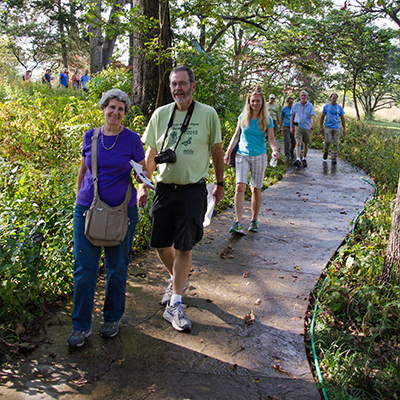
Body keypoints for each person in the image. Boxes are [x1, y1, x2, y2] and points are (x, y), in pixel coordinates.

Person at [138, 66, 224, 333]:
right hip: (164, 188)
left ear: (193, 86)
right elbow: (151, 151)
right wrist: (142, 183)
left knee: (185, 247)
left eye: (183, 84)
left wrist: (220, 184)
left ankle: (175, 303)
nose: (178, 89)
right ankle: (177, 278)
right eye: (174, 84)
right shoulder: (161, 114)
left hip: (192, 189)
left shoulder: (208, 114)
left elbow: (216, 150)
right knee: (162, 245)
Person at [67, 89, 147, 347]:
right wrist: (80, 197)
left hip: (122, 212)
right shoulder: (90, 136)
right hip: (88, 210)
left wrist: (142, 181)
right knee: (84, 269)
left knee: (117, 267)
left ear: (124, 113)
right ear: (103, 108)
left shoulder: (132, 140)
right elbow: (83, 170)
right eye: (111, 107)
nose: (115, 112)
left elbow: (143, 172)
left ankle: (112, 319)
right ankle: (81, 326)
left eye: (120, 109)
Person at [224, 86, 280, 235]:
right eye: (252, 101)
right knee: (240, 187)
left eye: (258, 101)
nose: (255, 103)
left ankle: (254, 219)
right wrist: (228, 152)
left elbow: (272, 139)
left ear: (262, 102)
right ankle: (238, 222)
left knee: (255, 188)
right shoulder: (243, 116)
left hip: (259, 155)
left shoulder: (267, 119)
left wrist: (275, 150)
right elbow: (236, 136)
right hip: (242, 155)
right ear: (249, 102)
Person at [290, 90, 315, 169]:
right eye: (302, 95)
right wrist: (291, 127)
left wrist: (312, 124)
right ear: (300, 97)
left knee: (305, 144)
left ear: (307, 97)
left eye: (304, 95)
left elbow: (312, 115)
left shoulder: (310, 105)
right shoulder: (296, 105)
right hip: (298, 126)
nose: (303, 97)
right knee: (298, 142)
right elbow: (292, 116)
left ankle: (304, 158)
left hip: (307, 127)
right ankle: (298, 159)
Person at [320, 93, 346, 165]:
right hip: (328, 127)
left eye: (335, 98)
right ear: (330, 98)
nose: (334, 99)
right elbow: (322, 117)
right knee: (327, 141)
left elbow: (342, 118)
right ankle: (326, 151)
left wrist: (344, 129)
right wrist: (321, 127)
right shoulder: (326, 106)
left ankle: (334, 157)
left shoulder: (340, 108)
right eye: (333, 98)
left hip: (337, 127)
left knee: (336, 143)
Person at [279, 97, 295, 162]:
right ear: (287, 102)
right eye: (290, 102)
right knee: (287, 141)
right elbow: (281, 119)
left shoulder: (294, 109)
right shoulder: (284, 109)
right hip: (286, 126)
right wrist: (279, 127)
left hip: (293, 127)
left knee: (294, 141)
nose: (291, 104)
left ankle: (291, 151)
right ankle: (287, 154)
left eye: (292, 102)